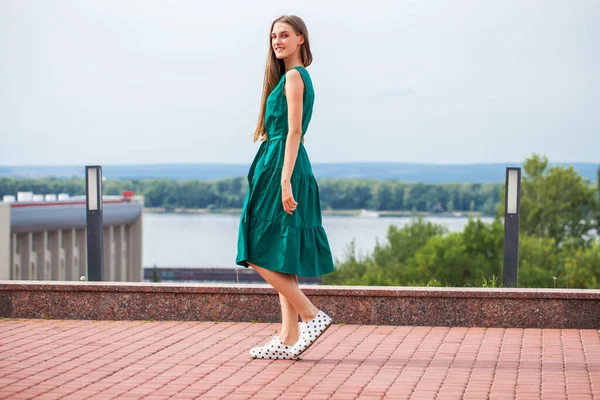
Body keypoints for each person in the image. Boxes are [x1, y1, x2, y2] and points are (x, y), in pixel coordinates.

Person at [236, 15, 334, 360]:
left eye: (285, 35)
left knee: (253, 245)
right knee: (280, 249)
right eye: (274, 36)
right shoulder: (290, 77)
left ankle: (310, 315)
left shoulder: (294, 76)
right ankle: (288, 336)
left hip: (282, 162)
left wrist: (284, 179)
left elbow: (294, 131)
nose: (277, 41)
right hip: (280, 160)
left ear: (301, 39)